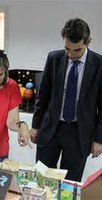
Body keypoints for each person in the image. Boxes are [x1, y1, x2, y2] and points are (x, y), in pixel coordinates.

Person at [30, 18, 102, 182]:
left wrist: (99, 139)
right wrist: (35, 126)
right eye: (67, 49)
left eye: (76, 50)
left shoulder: (99, 64)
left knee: (69, 183)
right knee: (41, 177)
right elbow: (43, 96)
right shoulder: (54, 58)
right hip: (51, 129)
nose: (71, 55)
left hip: (79, 132)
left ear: (88, 42)